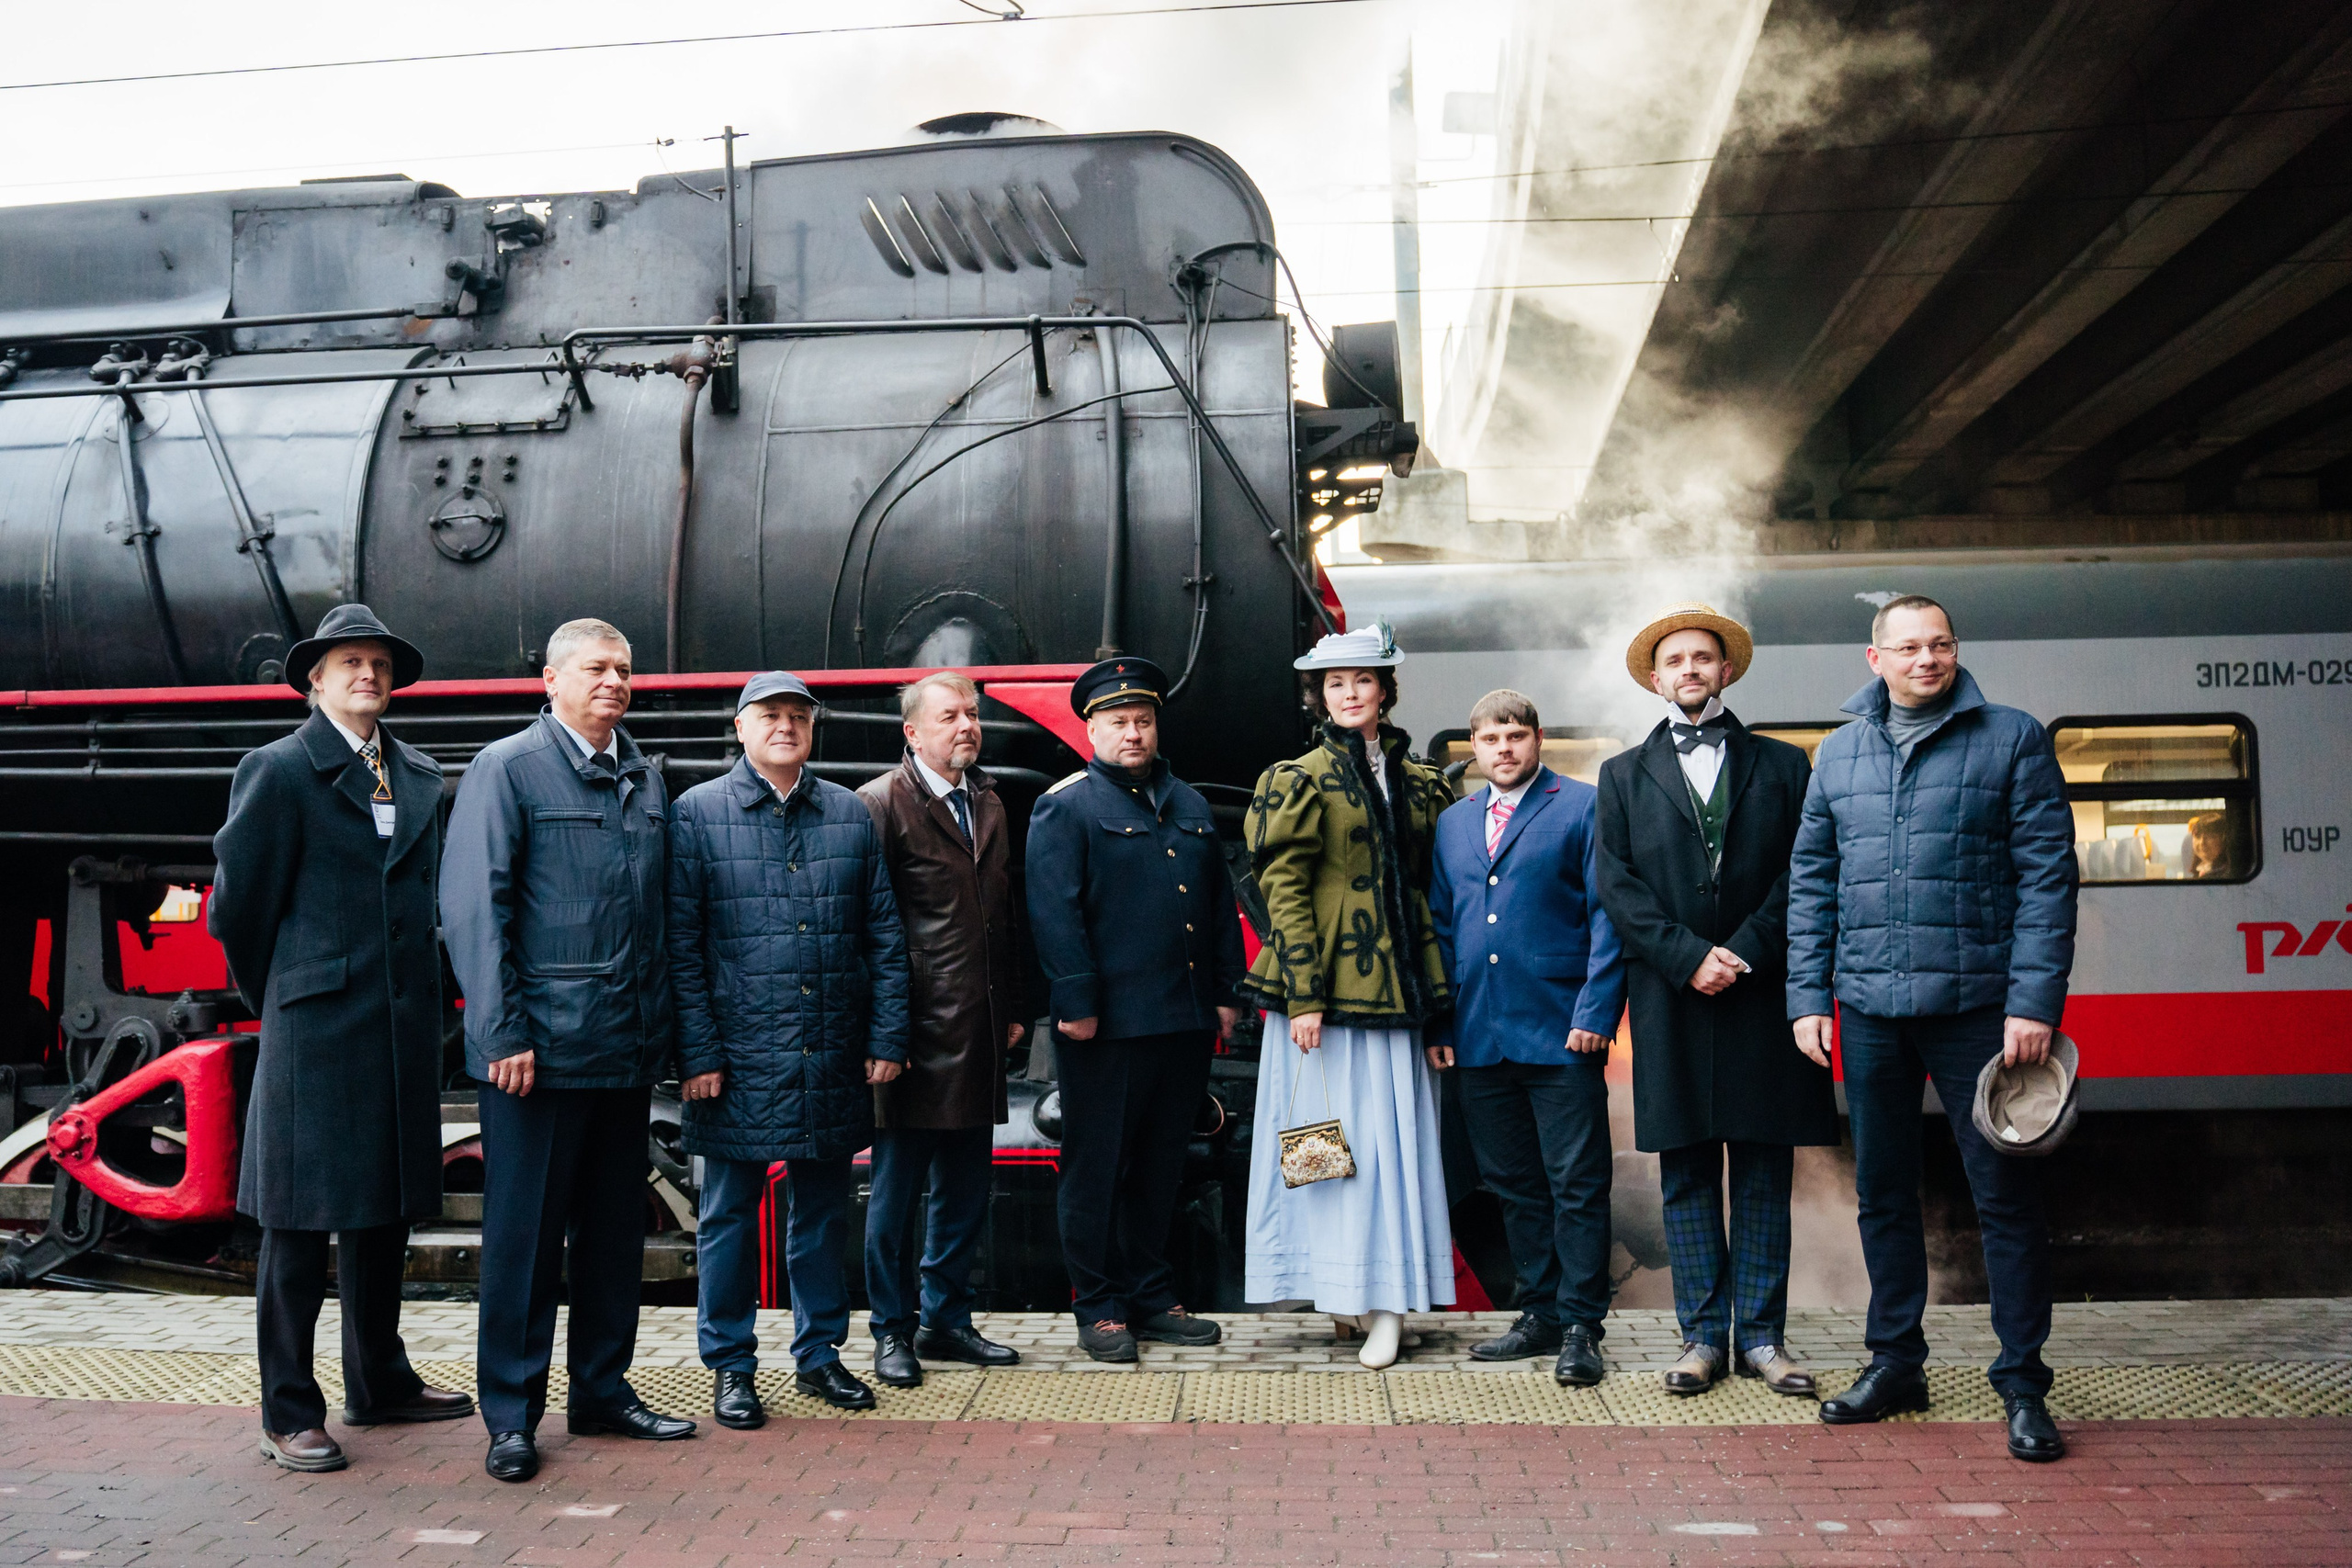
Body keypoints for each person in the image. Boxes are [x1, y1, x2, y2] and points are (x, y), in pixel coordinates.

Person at [1787, 593, 2078, 1463]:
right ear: (1873, 658)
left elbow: (2048, 878)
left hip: (1982, 1011)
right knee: (1883, 1192)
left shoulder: (2012, 737)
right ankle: (1896, 1362)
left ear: (1956, 650)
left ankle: (2023, 1384)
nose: (1928, 658)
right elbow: (1813, 883)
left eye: (1941, 643)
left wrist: (2034, 1001)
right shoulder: (1837, 754)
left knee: (2005, 1199)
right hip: (1871, 1010)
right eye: (1908, 646)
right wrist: (1809, 995)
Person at [209, 604, 474, 1472]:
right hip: (316, 1028)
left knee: (385, 1209)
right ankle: (287, 1408)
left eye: (379, 663)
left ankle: (380, 1382)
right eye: (349, 662)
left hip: (399, 1025)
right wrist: (287, 993)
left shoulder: (421, 773)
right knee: (297, 1221)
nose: (368, 674)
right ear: (315, 678)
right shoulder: (280, 770)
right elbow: (237, 912)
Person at [441, 618, 694, 1483]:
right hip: (540, 1054)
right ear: (550, 679)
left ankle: (601, 1390)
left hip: (625, 1048)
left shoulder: (643, 776)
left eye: (624, 669)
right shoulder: (506, 769)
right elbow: (478, 907)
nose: (615, 681)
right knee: (525, 1238)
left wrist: (666, 1034)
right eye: (596, 668)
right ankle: (510, 1415)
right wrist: (500, 1029)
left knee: (613, 1237)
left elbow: (661, 921)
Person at [1593, 604, 1836, 1398]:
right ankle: (1702, 1338)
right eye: (1677, 660)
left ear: (1726, 670)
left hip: (1762, 996)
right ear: (1657, 679)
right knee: (1688, 1173)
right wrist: (1688, 956)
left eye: (1705, 657)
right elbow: (1617, 888)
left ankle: (1763, 1338)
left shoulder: (1785, 764)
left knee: (1765, 1170)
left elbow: (1804, 872)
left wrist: (1748, 950)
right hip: (1672, 998)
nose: (1691, 669)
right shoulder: (1623, 775)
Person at [669, 671, 910, 1420]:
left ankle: (818, 1355)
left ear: (813, 729)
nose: (785, 725)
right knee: (730, 1215)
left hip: (830, 1049)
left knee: (822, 1214)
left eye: (798, 716)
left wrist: (887, 1034)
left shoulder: (846, 812)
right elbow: (681, 946)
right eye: (768, 714)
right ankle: (731, 1365)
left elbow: (884, 937)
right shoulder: (696, 814)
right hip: (738, 1059)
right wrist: (698, 1054)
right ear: (738, 728)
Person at [1240, 624, 1455, 1370]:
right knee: (1329, 1147)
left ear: (1386, 691)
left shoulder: (1426, 781)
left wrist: (1440, 1004)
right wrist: (1304, 994)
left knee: (1391, 1150)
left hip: (1400, 991)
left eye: (1362, 681)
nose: (1350, 693)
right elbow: (1284, 890)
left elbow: (1433, 892)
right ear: (1321, 695)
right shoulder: (1295, 777)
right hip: (1325, 995)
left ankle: (1388, 1301)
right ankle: (1341, 1293)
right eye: (1336, 684)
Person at [1025, 656, 1246, 1363]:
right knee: (1098, 1166)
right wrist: (1077, 1001)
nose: (1133, 733)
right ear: (1090, 727)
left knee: (1159, 1163)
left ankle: (1151, 1294)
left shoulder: (1185, 802)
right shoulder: (1068, 805)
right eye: (1118, 722)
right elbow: (1055, 913)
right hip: (1107, 1024)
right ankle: (1099, 1304)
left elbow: (1215, 906)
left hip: (1180, 1017)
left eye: (1143, 721)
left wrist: (1222, 995)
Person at [1427, 690, 1625, 1387]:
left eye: (1515, 735)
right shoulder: (1454, 823)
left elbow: (1608, 916)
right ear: (1473, 748)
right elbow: (1443, 928)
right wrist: (1442, 1023)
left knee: (1577, 1181)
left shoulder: (1580, 804)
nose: (1503, 748)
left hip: (1562, 1030)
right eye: (1489, 738)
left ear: (1537, 739)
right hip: (1480, 1033)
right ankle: (1538, 1312)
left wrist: (1597, 1012)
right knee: (1512, 1182)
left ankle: (1580, 1324)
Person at [856, 672, 1025, 1388]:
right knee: (895, 1196)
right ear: (913, 732)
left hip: (979, 1029)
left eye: (973, 714)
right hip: (914, 1038)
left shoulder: (987, 800)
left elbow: (1002, 917)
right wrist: (882, 1037)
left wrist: (1015, 1005)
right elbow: (868, 931)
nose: (967, 726)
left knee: (964, 1188)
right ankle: (892, 1330)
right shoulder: (881, 804)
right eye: (950, 715)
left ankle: (946, 1320)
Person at [2186, 813, 2233, 880]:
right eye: (2198, 836)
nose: (2202, 842)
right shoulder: (2199, 872)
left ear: (2224, 839)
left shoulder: (2227, 874)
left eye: (2210, 836)